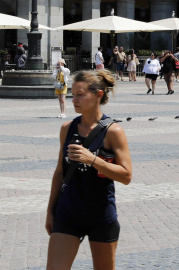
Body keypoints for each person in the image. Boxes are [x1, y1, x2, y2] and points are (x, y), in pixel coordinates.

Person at [45, 70, 132, 269]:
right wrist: (50, 210)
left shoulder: (113, 131)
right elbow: (60, 172)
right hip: (68, 212)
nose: (74, 99)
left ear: (98, 95)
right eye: (72, 94)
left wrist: (93, 159)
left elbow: (126, 176)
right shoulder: (67, 128)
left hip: (100, 214)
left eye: (80, 94)